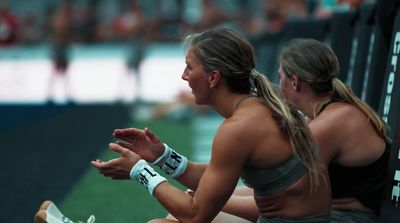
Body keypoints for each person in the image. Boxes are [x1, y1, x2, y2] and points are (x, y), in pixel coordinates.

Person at [34, 27, 331, 223]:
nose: (183, 76)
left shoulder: (239, 128)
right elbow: (216, 173)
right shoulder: (259, 108)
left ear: (214, 78)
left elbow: (196, 215)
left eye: (190, 66)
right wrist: (161, 156)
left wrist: (139, 171)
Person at [209, 38, 392, 223]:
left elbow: (284, 204)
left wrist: (211, 199)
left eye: (281, 77)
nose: (278, 84)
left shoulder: (329, 124)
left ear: (294, 82)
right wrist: (209, 192)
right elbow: (272, 186)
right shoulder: (318, 117)